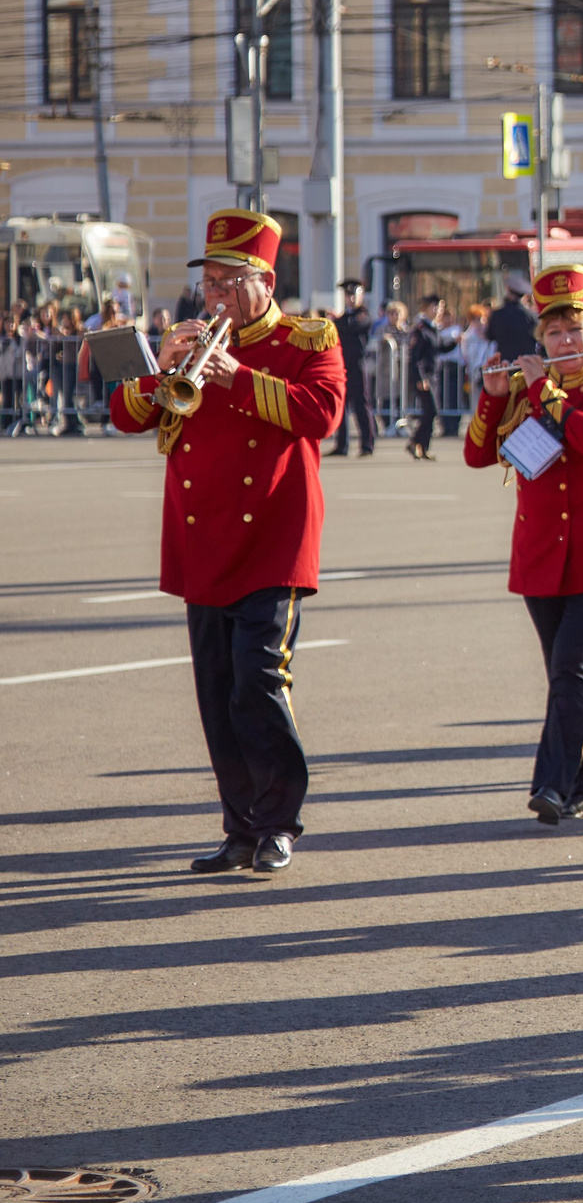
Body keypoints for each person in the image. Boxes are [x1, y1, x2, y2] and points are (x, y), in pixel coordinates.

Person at [107, 211, 345, 874]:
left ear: (265, 281)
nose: (214, 297)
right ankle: (239, 828)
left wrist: (234, 376)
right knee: (216, 691)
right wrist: (165, 369)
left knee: (257, 682)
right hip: (200, 535)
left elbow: (320, 412)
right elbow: (126, 416)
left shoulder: (309, 338)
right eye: (210, 283)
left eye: (229, 283)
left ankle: (277, 822)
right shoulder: (189, 339)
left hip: (274, 535)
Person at [462, 264, 583, 825]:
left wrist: (544, 385)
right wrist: (494, 398)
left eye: (575, 332)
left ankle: (553, 786)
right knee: (568, 675)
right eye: (554, 334)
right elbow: (479, 455)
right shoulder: (521, 389)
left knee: (571, 667)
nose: (565, 342)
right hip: (542, 549)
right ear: (540, 338)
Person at [330, 280, 375, 457]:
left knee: (361, 405)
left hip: (358, 365)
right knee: (342, 406)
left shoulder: (363, 315)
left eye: (354, 294)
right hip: (343, 364)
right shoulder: (344, 317)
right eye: (348, 295)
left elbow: (352, 327)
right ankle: (342, 445)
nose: (351, 298)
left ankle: (367, 444)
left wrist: (339, 322)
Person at [404, 295, 447, 460]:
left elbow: (439, 348)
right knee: (431, 410)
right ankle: (416, 442)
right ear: (426, 308)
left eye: (440, 308)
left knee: (431, 412)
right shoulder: (421, 329)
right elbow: (415, 357)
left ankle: (420, 445)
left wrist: (456, 342)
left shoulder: (434, 328)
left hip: (433, 375)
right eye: (434, 307)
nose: (438, 311)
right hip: (424, 376)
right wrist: (421, 378)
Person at [487, 268, 539, 364]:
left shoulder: (497, 314)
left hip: (505, 363)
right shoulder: (531, 316)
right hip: (527, 363)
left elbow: (490, 336)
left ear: (508, 291)